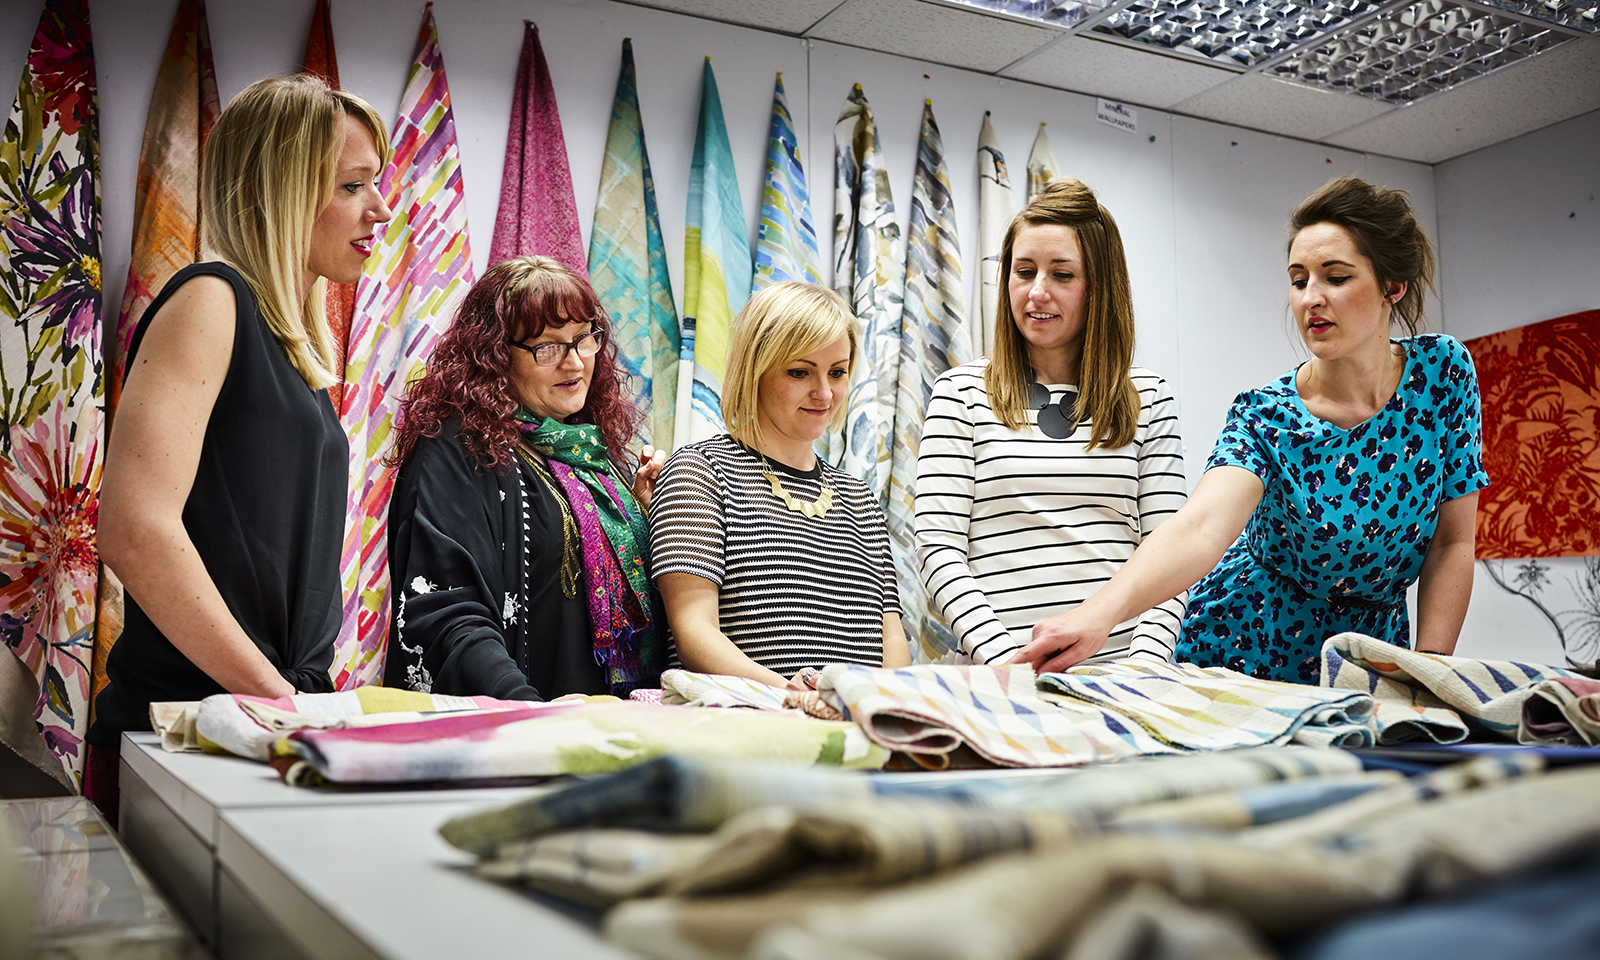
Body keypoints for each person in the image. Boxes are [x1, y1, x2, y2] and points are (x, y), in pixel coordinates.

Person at [1012, 176, 1488, 683]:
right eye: (1298, 280)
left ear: (1393, 286)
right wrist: (1098, 616)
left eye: (1335, 277)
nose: (1310, 298)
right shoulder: (1267, 415)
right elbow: (1200, 527)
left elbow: (1452, 544)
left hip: (1370, 652)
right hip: (1245, 643)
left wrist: (1428, 671)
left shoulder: (1441, 373)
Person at [90, 76, 392, 812]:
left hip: (256, 727)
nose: (380, 209)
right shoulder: (210, 300)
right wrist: (275, 698)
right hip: (187, 737)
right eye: (353, 186)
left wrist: (291, 706)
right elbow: (134, 530)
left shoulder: (293, 346)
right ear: (281, 191)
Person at [915, 178, 1186, 666]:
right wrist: (1011, 664)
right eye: (1024, 271)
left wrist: (1144, 667)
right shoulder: (960, 393)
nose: (1037, 291)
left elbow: (1169, 557)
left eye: (1062, 275)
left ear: (1100, 286)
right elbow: (938, 552)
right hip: (999, 674)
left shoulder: (1147, 397)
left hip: (1121, 676)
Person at [384, 255, 666, 701]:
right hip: (521, 728)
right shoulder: (457, 449)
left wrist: (648, 516)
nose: (575, 364)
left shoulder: (590, 451)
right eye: (547, 347)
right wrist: (529, 714)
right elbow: (447, 612)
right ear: (496, 356)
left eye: (583, 339)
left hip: (611, 725)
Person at [650, 282, 910, 688]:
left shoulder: (859, 498)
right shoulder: (699, 472)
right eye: (799, 372)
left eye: (837, 372)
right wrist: (789, 694)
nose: (824, 392)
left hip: (854, 721)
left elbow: (891, 637)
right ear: (755, 370)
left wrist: (883, 703)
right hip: (747, 721)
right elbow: (694, 633)